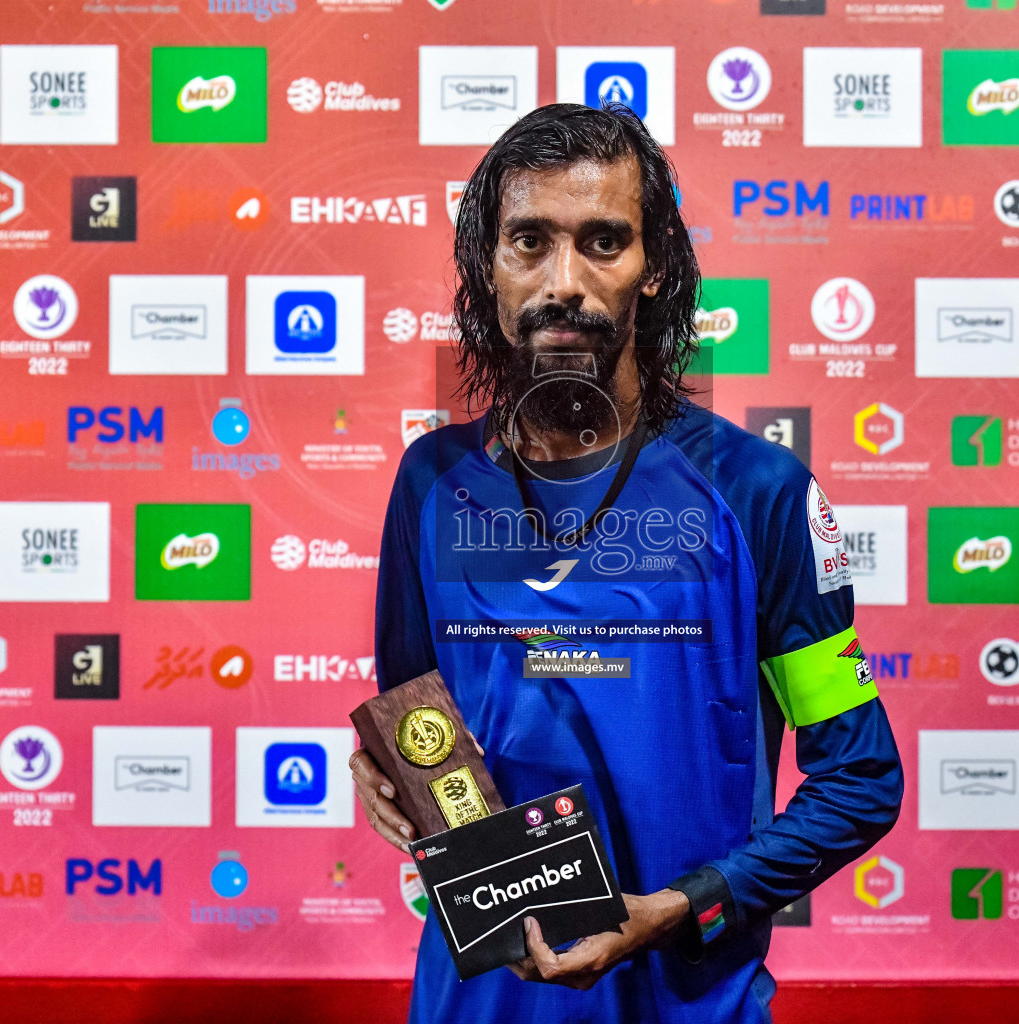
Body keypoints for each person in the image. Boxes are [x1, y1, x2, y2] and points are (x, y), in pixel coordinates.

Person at [349, 103, 903, 1024]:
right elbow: (419, 732)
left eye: (603, 241)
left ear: (654, 273)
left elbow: (859, 778)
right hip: (476, 1003)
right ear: (486, 268)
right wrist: (385, 779)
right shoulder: (431, 484)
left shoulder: (759, 495)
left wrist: (686, 905)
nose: (564, 281)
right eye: (529, 240)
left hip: (685, 1002)